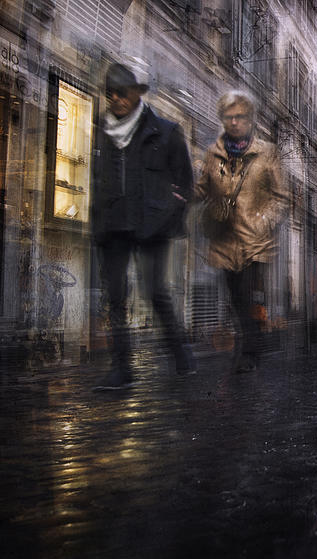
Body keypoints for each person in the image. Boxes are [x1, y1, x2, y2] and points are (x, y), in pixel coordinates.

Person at [91, 63, 195, 390]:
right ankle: (122, 368)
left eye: (122, 92)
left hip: (152, 226)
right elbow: (99, 178)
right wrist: (98, 221)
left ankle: (180, 353)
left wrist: (169, 217)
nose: (116, 99)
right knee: (116, 297)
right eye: (110, 93)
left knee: (156, 293)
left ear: (136, 94)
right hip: (113, 226)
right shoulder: (103, 131)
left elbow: (185, 185)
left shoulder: (164, 131)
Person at [195, 90, 286, 373]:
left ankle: (250, 351)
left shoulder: (267, 153)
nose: (234, 122)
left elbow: (280, 197)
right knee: (235, 298)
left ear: (250, 120)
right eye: (229, 117)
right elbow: (202, 188)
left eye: (240, 117)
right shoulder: (214, 154)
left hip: (255, 241)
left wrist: (263, 221)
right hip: (225, 240)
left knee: (248, 297)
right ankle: (248, 345)